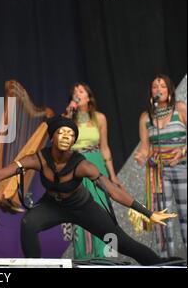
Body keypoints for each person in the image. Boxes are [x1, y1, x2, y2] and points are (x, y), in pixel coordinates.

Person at [0, 116, 177, 265]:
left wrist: (148, 213)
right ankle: (34, 266)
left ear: (73, 141)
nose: (66, 136)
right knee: (28, 223)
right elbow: (2, 173)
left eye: (71, 134)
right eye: (61, 132)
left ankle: (160, 265)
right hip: (53, 206)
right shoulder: (37, 159)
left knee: (123, 243)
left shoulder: (83, 165)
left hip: (82, 208)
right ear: (53, 137)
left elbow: (113, 192)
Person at [62, 83, 122, 259]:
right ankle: (83, 256)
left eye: (80, 91)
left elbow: (105, 148)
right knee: (79, 208)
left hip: (96, 163)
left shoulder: (99, 118)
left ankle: (104, 257)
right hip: (76, 165)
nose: (76, 94)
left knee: (100, 208)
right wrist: (67, 113)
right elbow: (58, 139)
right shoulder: (68, 118)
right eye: (74, 92)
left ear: (88, 97)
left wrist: (113, 175)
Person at [134, 75, 186, 257]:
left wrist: (183, 151)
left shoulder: (180, 109)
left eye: (162, 86)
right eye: (155, 87)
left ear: (169, 90)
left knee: (186, 215)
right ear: (151, 93)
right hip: (158, 173)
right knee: (162, 218)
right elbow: (146, 147)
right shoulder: (145, 117)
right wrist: (141, 156)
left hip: (182, 168)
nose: (158, 90)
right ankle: (166, 260)